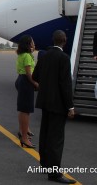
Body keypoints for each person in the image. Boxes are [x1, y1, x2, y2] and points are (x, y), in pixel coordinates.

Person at [32, 30, 75, 184]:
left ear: (53, 40)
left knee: (45, 134)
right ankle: (54, 173)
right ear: (64, 40)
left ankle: (44, 164)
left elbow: (35, 76)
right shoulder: (64, 58)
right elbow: (65, 84)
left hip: (45, 102)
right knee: (56, 139)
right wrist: (70, 106)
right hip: (58, 104)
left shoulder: (44, 56)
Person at [14, 35, 38, 149]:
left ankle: (22, 131)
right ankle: (24, 138)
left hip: (20, 80)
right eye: (32, 42)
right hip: (26, 81)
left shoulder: (21, 54)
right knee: (26, 110)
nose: (34, 43)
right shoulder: (27, 56)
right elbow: (29, 74)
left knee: (23, 109)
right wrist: (35, 83)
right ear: (28, 44)